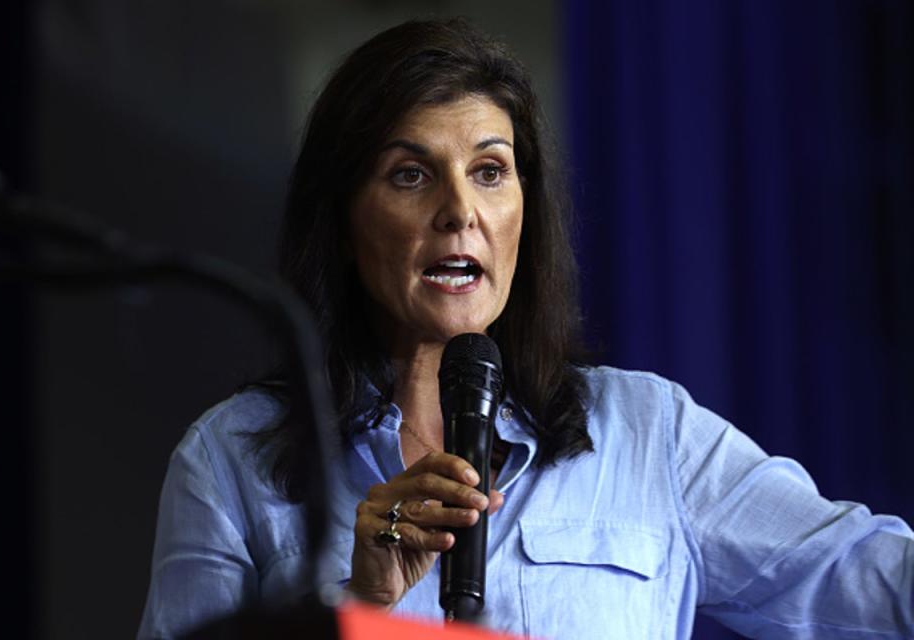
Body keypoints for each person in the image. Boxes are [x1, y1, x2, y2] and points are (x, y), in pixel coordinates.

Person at [138, 18, 914, 639]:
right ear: (342, 220)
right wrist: (360, 601)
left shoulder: (649, 436)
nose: (459, 212)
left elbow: (861, 578)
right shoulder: (230, 461)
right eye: (410, 174)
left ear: (524, 211)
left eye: (489, 171)